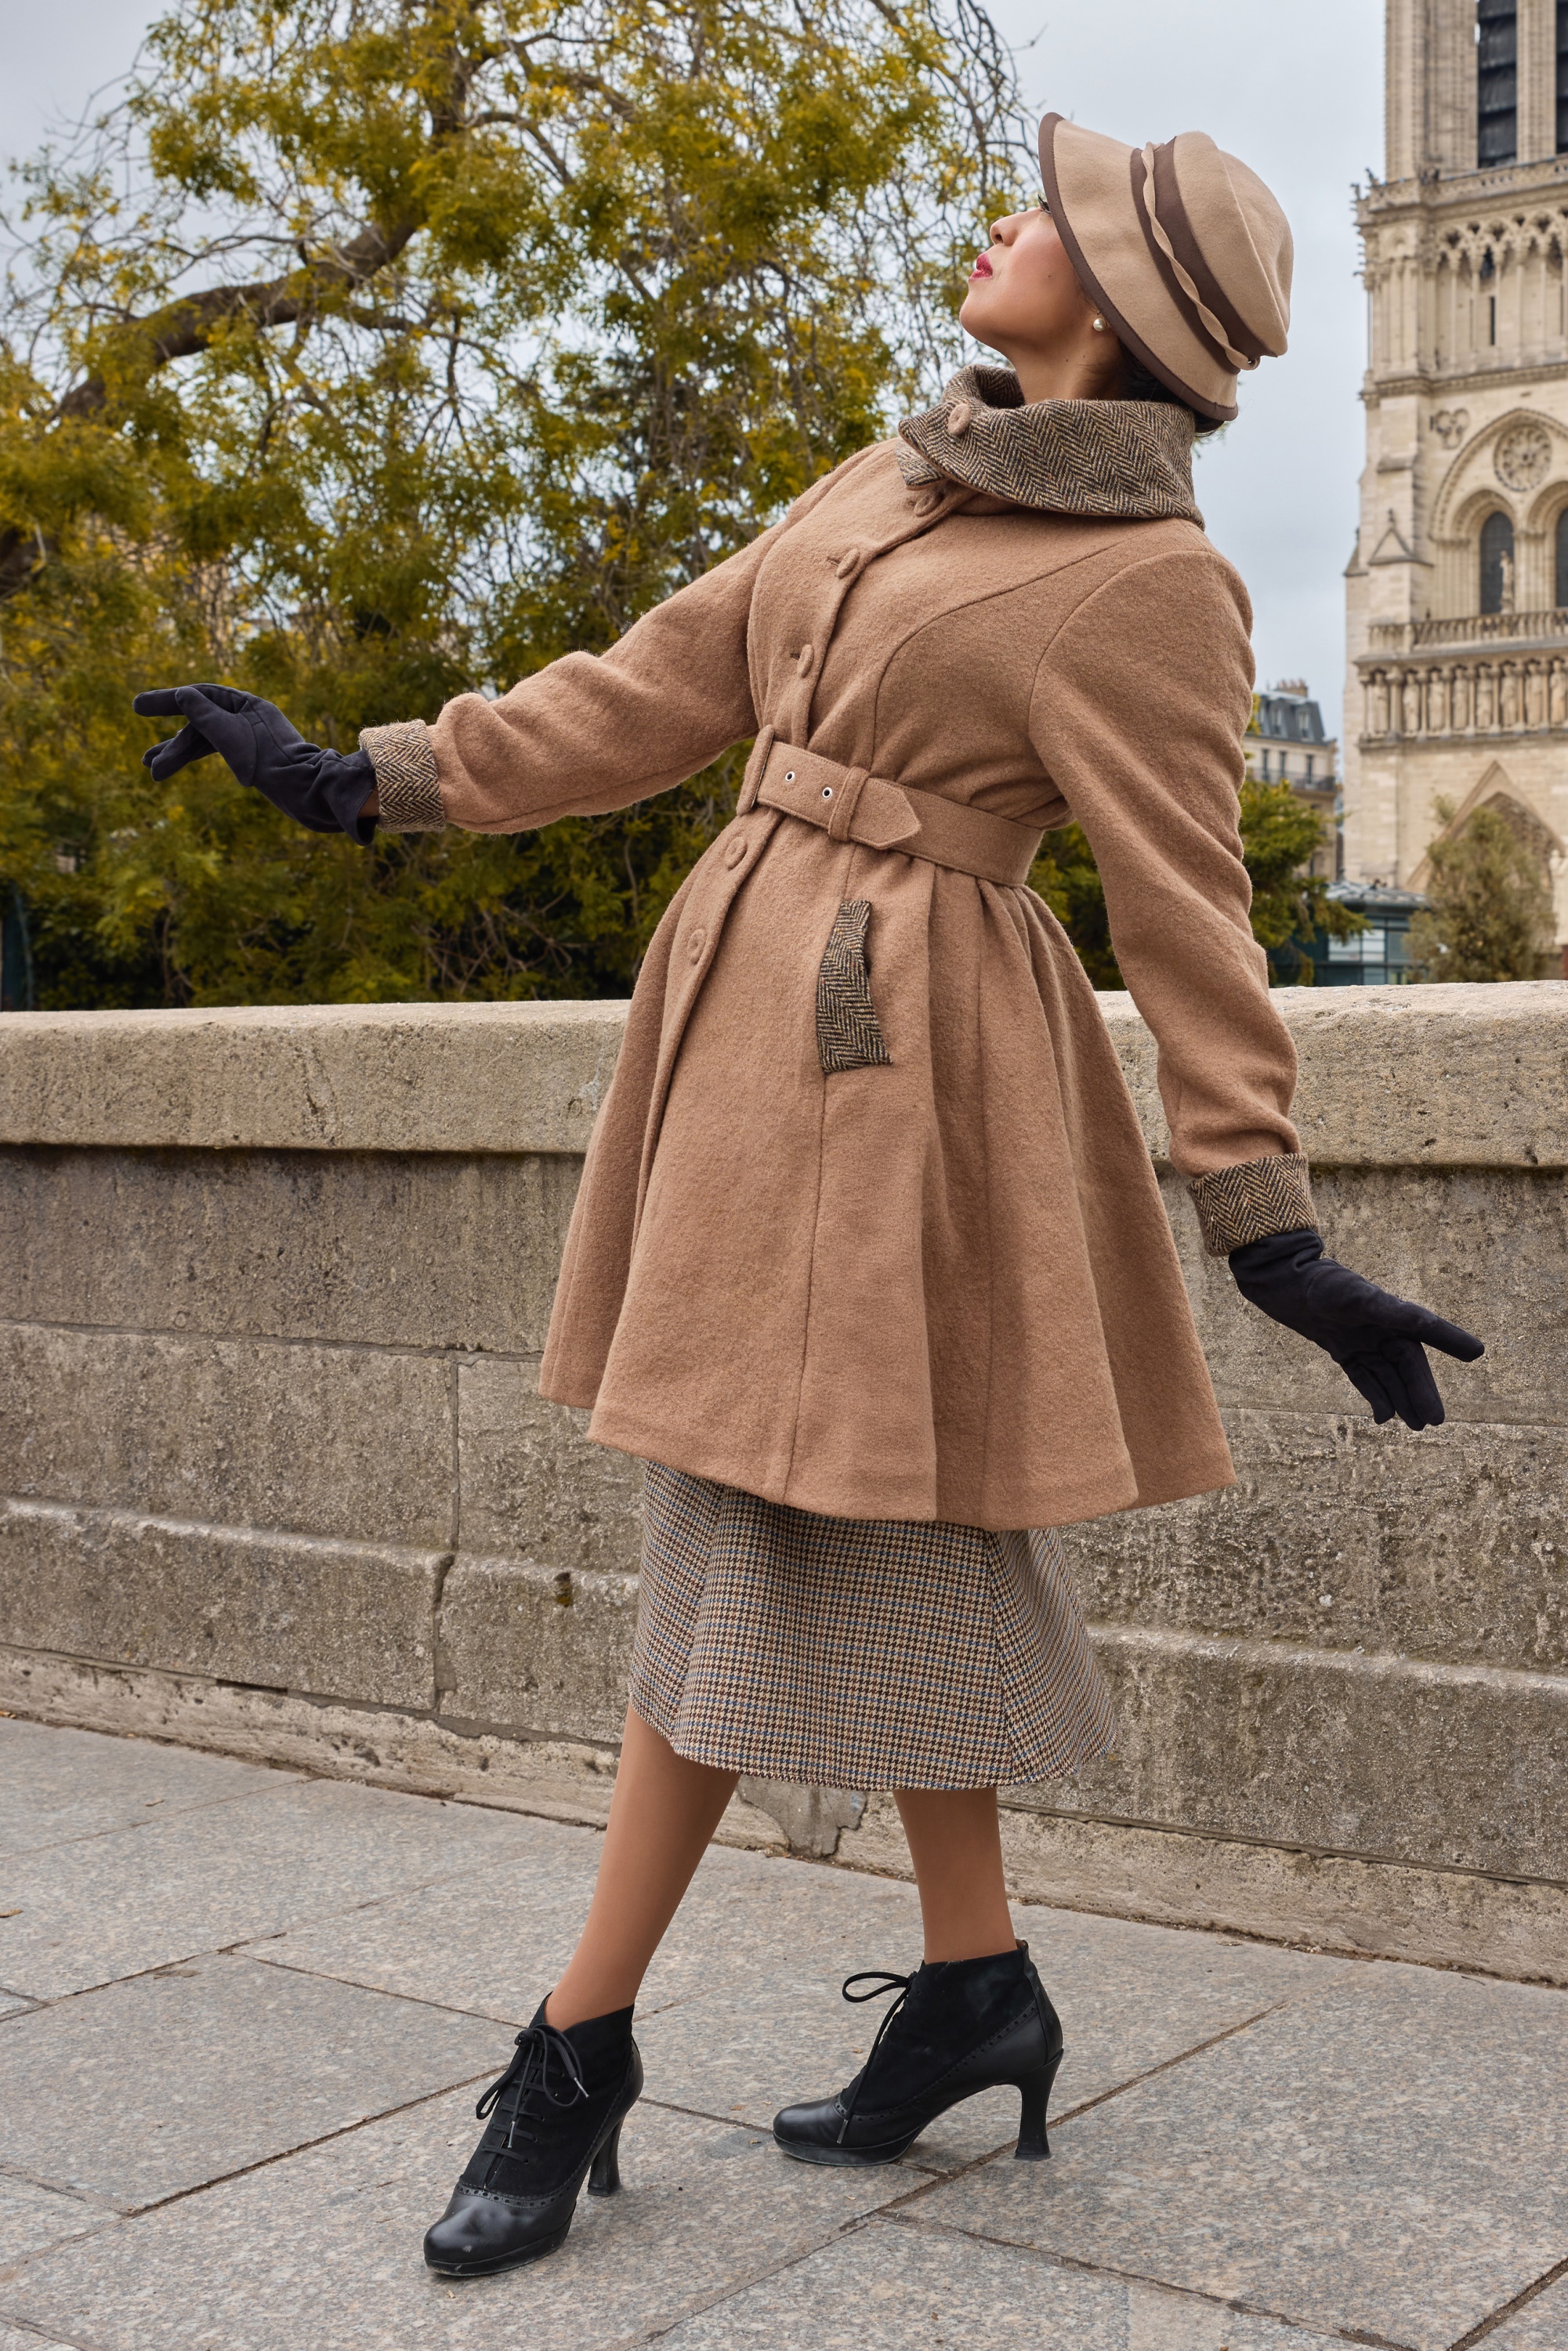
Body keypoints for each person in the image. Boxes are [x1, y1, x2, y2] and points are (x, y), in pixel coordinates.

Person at [135, 114, 1483, 2277]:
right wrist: (360, 776)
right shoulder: (893, 471)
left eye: (1048, 214)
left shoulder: (1153, 582)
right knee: (875, 1527)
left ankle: (573, 2046)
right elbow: (649, 692)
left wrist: (1265, 1222)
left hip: (908, 1091)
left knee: (754, 1521)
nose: (999, 221)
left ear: (1123, 308)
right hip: (745, 1038)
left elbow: (1187, 914)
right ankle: (973, 1989)